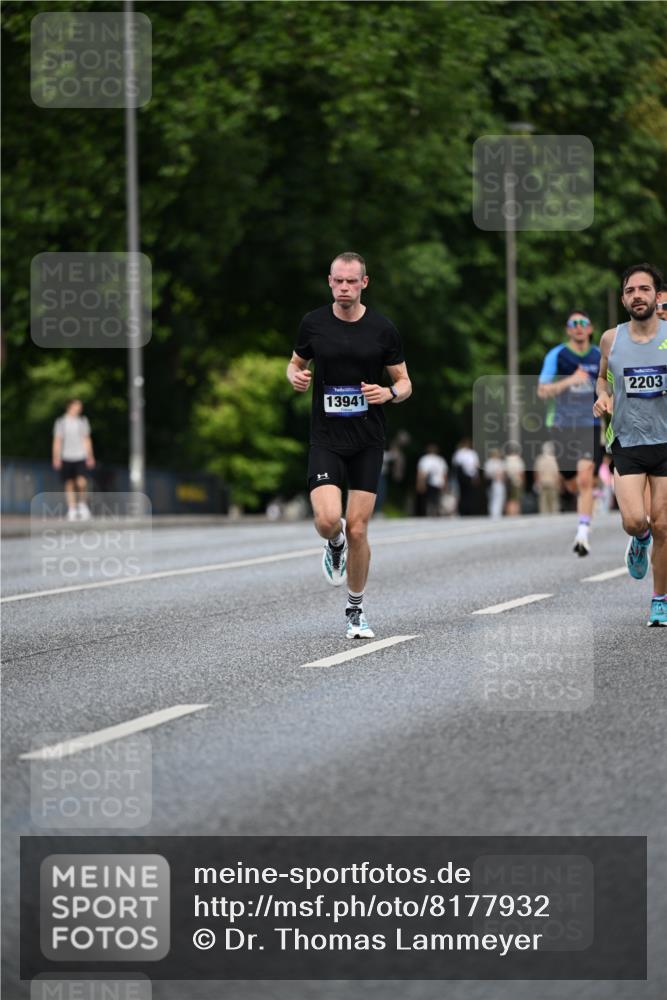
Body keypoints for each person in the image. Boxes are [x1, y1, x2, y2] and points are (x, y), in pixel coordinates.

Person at [287, 252, 412, 639]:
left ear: (364, 283)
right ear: (329, 281)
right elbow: (295, 364)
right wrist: (295, 377)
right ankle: (334, 543)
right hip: (326, 437)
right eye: (338, 281)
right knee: (329, 520)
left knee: (359, 528)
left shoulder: (382, 329)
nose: (344, 288)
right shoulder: (313, 323)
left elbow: (405, 383)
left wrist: (388, 393)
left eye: (351, 281)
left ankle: (355, 610)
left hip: (367, 439)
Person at [593, 263, 667, 627]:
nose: (637, 295)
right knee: (636, 520)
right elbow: (602, 379)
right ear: (624, 299)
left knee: (664, 526)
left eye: (644, 289)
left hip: (666, 440)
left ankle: (660, 600)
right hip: (627, 440)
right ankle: (640, 538)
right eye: (630, 291)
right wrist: (602, 396)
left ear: (656, 295)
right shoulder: (611, 339)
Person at [537, 310, 602, 555]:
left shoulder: (599, 355)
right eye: (573, 324)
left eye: (583, 323)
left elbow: (609, 385)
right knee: (570, 481)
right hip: (561, 424)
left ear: (590, 328)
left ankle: (582, 533)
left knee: (585, 479)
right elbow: (542, 391)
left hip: (589, 424)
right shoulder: (557, 355)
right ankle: (588, 498)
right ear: (568, 330)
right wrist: (570, 380)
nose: (578, 327)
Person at [52, 398, 95, 521]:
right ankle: (72, 509)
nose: (80, 409)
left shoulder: (82, 421)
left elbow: (86, 439)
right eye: (77, 406)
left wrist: (90, 456)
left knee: (82, 482)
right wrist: (56, 457)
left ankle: (82, 505)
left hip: (80, 456)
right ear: (70, 407)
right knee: (69, 483)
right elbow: (57, 440)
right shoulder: (61, 422)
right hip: (66, 456)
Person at [416, 443, 448, 516]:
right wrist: (445, 483)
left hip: (429, 482)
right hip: (438, 482)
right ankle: (435, 511)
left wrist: (419, 483)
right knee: (436, 498)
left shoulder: (424, 459)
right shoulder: (440, 460)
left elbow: (421, 473)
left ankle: (430, 511)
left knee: (429, 499)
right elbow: (444, 473)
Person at [451, 439, 481, 516]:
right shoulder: (471, 453)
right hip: (468, 475)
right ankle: (468, 510)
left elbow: (455, 464)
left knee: (463, 493)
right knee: (469, 494)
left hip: (462, 475)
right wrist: (476, 476)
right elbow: (476, 466)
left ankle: (464, 510)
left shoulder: (459, 452)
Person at [533, 441, 561, 514]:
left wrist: (537, 483)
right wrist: (558, 484)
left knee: (543, 504)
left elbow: (537, 473)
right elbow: (557, 474)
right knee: (554, 504)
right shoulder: (554, 459)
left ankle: (544, 517)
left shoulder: (540, 459)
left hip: (543, 483)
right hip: (552, 484)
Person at [503, 443, 526, 516]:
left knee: (509, 499)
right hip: (517, 482)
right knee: (517, 499)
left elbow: (505, 472)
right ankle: (515, 512)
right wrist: (523, 482)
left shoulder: (506, 460)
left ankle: (509, 513)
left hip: (509, 482)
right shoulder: (519, 460)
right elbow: (521, 473)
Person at [483, 448, 506, 519]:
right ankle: (495, 514)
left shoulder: (489, 463)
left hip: (494, 483)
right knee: (496, 498)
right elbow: (500, 473)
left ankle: (494, 513)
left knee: (494, 498)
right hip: (495, 482)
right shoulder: (496, 462)